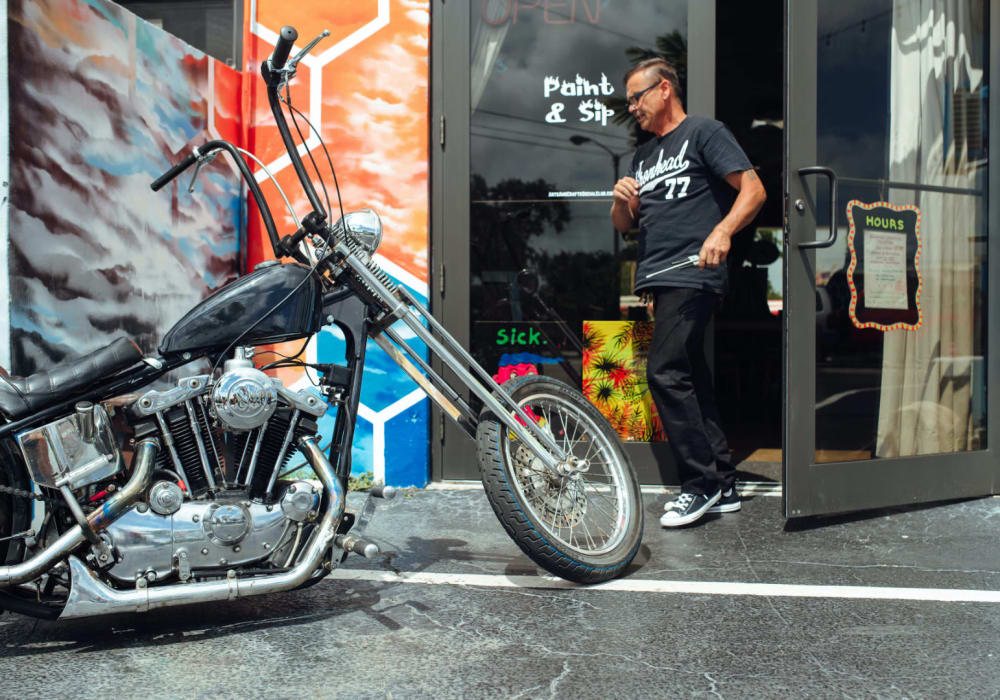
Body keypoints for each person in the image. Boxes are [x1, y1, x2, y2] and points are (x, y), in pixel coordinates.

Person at [610, 58, 766, 527]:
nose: (632, 107)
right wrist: (623, 203)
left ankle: (700, 486)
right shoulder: (643, 156)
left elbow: (753, 191)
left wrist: (722, 232)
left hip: (693, 271)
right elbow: (626, 228)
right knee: (690, 375)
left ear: (663, 89)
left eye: (637, 97)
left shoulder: (704, 132)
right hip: (660, 277)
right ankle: (723, 482)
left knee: (665, 371)